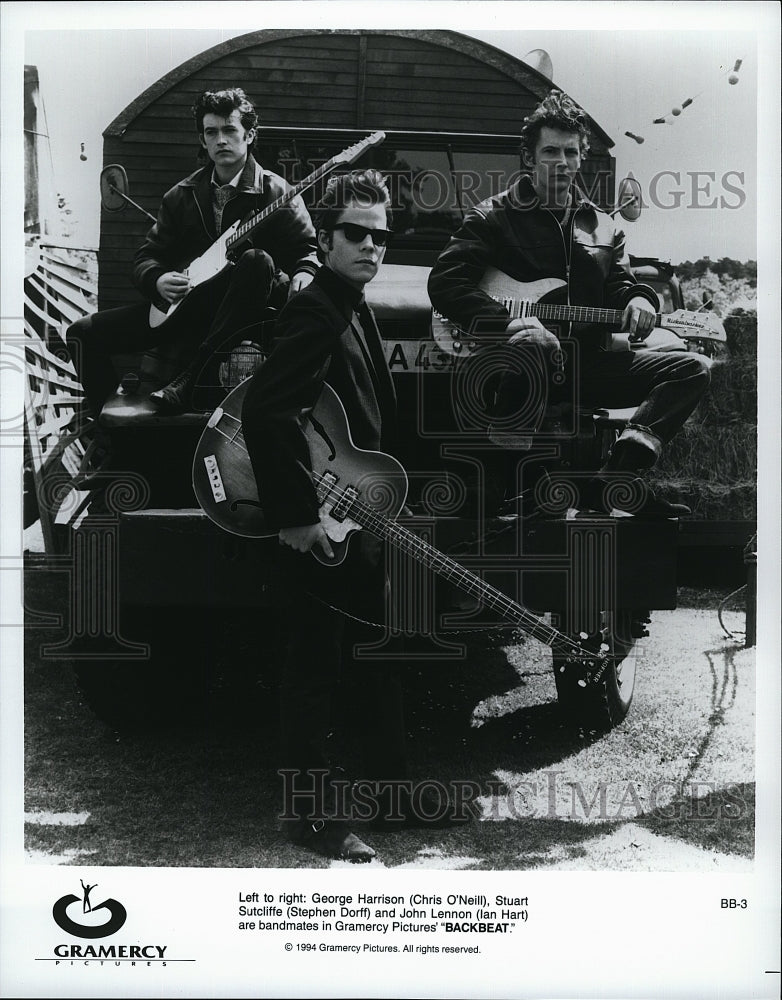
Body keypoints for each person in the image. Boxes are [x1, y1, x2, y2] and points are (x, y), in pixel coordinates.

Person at [242, 170, 467, 863]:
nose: (372, 246)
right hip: (321, 519)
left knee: (376, 656)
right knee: (314, 663)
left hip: (360, 508)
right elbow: (265, 410)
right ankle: (309, 821)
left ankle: (391, 800)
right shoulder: (316, 308)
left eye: (381, 236)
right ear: (328, 238)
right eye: (356, 234)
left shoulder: (353, 302)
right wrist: (297, 515)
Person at [428, 90, 711, 518]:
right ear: (529, 157)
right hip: (512, 366)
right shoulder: (493, 216)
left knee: (693, 368)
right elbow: (445, 283)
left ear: (582, 158)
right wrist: (506, 323)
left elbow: (619, 282)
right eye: (550, 151)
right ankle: (504, 484)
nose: (561, 162)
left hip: (587, 368)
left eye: (571, 152)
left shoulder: (603, 226)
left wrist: (638, 298)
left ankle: (615, 478)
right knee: (536, 345)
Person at [66, 88, 319, 480]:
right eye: (211, 131)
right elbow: (145, 258)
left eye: (230, 130)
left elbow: (308, 249)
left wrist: (304, 271)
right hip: (189, 312)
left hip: (247, 318)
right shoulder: (182, 195)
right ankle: (118, 442)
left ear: (249, 135)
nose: (221, 140)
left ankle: (189, 380)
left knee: (256, 261)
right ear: (202, 139)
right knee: (82, 334)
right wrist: (157, 278)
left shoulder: (276, 192)